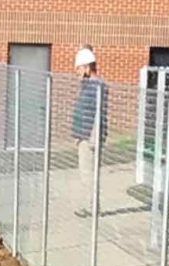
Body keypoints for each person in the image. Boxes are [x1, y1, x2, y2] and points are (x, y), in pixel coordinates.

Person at [70, 47, 107, 217]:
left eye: (79, 68)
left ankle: (92, 206)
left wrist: (89, 137)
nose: (77, 72)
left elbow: (95, 114)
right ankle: (91, 205)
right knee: (86, 172)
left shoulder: (95, 87)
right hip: (84, 135)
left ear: (87, 67)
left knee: (88, 173)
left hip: (89, 137)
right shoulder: (89, 86)